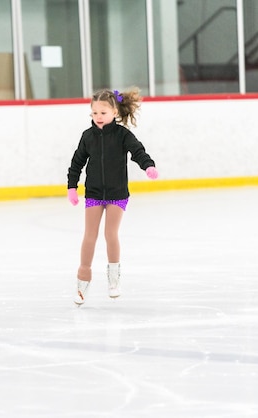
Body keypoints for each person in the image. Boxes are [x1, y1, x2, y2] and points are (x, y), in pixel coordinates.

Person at [67, 88, 158, 306]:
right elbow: (77, 162)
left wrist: (148, 166)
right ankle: (83, 281)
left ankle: (113, 279)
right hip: (95, 193)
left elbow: (138, 152)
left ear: (115, 112)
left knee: (110, 233)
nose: (98, 117)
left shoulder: (123, 135)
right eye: (94, 113)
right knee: (90, 235)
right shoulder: (87, 137)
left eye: (103, 113)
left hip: (117, 193)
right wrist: (72, 186)